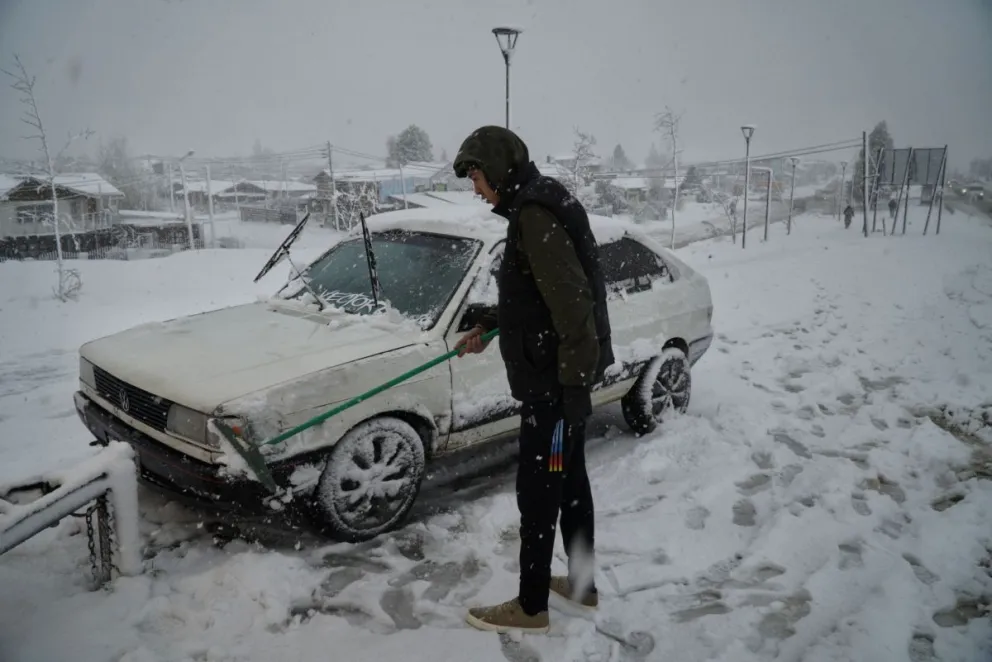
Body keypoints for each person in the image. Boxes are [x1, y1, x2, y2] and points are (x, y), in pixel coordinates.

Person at [451, 125, 615, 634]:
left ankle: (530, 607)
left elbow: (573, 305)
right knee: (569, 484)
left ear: (497, 169)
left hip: (554, 389)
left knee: (540, 492)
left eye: (476, 177)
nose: (476, 189)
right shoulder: (537, 205)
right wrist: (489, 324)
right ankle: (582, 586)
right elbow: (535, 297)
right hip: (559, 381)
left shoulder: (535, 214)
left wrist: (572, 393)